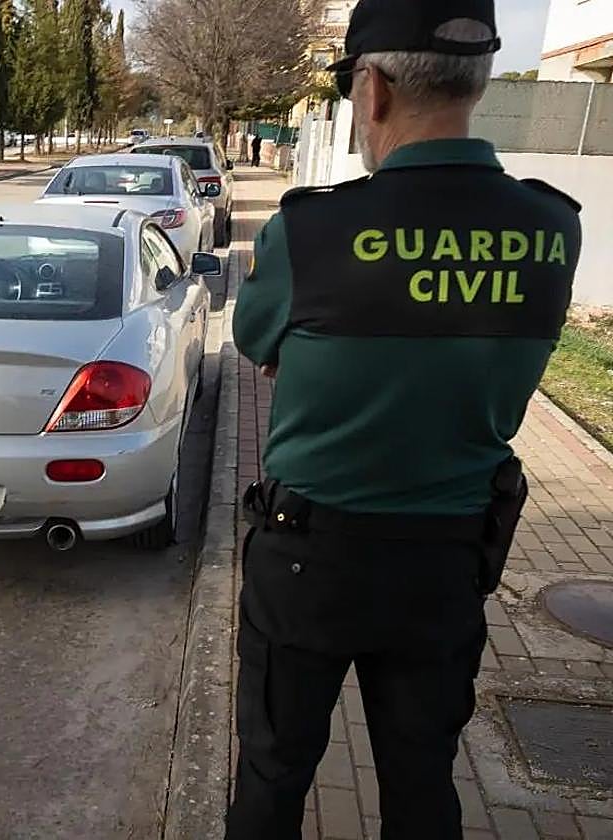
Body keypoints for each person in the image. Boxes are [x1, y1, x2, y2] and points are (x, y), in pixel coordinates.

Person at [228, 0, 582, 837]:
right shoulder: (551, 227)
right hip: (447, 562)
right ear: (481, 80)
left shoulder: (310, 230)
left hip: (309, 563)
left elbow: (256, 342)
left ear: (373, 88)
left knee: (274, 778)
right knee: (423, 784)